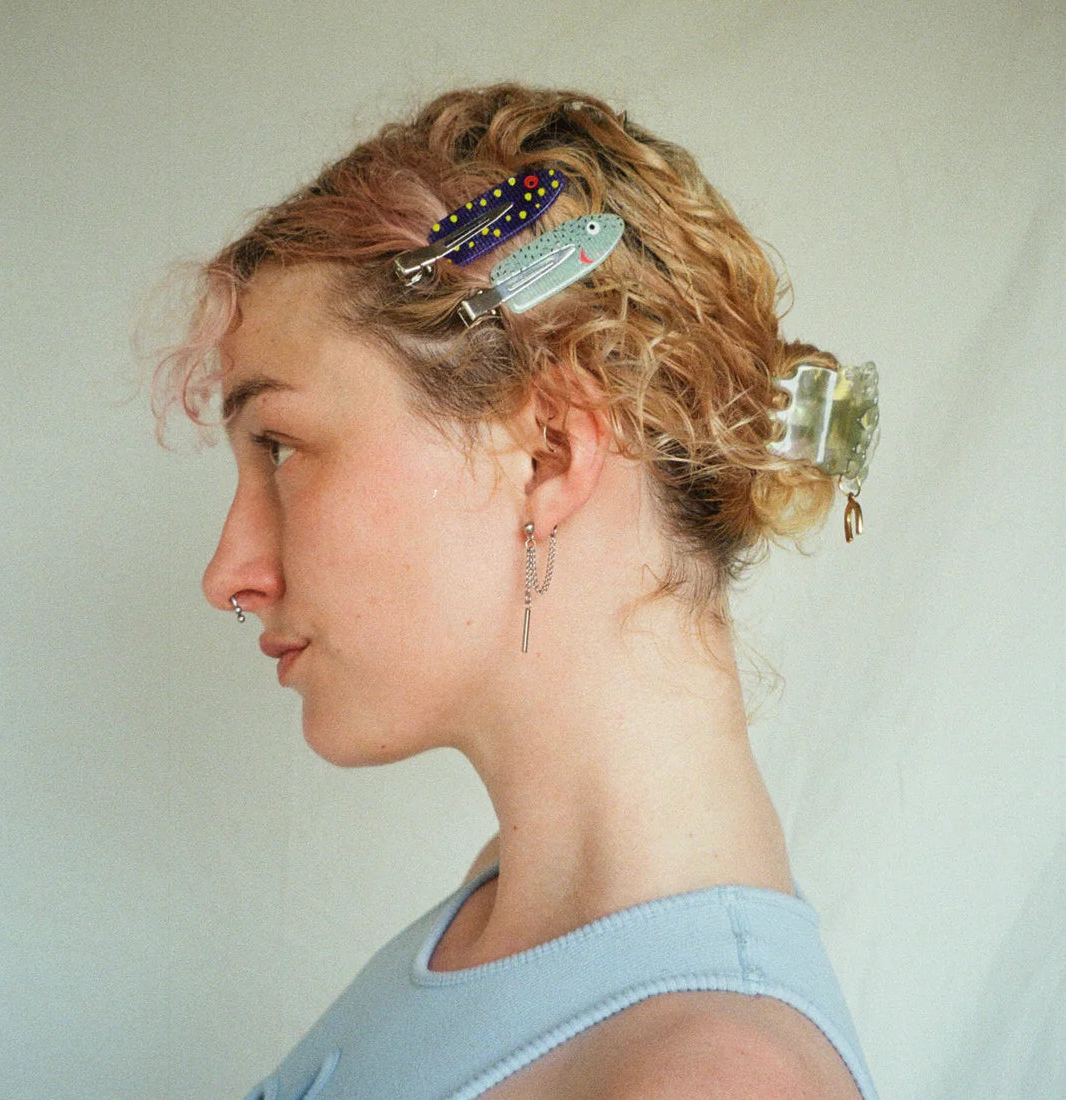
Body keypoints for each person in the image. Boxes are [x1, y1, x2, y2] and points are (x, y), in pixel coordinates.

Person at [156, 84, 880, 1100]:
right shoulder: (504, 911)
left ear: (543, 453)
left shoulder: (709, 1079)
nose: (227, 572)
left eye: (279, 446)